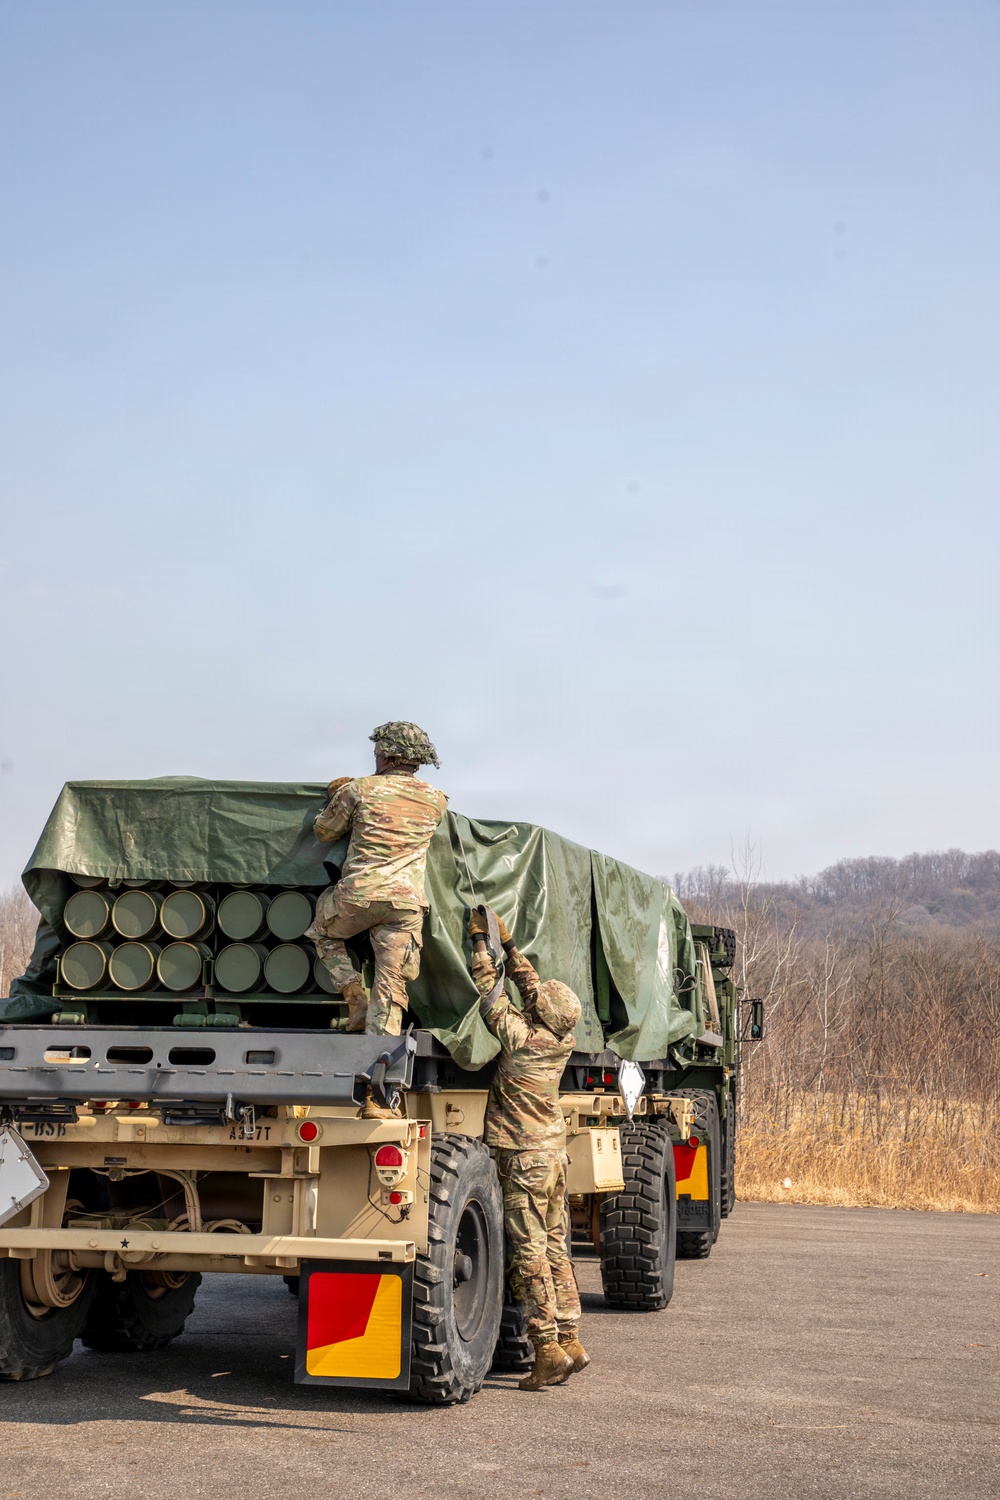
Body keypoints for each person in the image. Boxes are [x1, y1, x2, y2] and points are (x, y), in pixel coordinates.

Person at [468, 907, 590, 1392]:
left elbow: (490, 993)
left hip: (521, 1160)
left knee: (529, 1253)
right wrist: (511, 944)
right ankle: (571, 1338)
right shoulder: (560, 1038)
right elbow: (532, 991)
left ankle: (545, 1350)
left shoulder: (520, 1040)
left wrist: (481, 945)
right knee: (556, 1244)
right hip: (553, 1156)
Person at [307, 722, 447, 1058]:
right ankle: (379, 1079)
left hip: (359, 896)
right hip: (406, 906)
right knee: (392, 986)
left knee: (322, 932)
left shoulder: (359, 790)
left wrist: (335, 796)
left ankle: (355, 998)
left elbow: (325, 832)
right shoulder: (437, 800)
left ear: (386, 754)